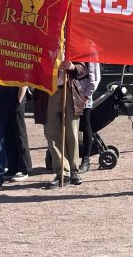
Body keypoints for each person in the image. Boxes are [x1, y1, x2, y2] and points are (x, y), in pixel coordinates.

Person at [34, 59, 88, 189]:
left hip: (69, 91)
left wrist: (73, 66)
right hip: (48, 92)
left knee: (72, 134)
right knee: (52, 134)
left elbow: (83, 68)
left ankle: (74, 171)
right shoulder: (43, 44)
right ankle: (62, 172)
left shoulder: (71, 43)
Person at [4, 86, 33, 181]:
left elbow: (24, 81)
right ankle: (12, 168)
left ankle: (24, 168)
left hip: (17, 98)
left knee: (20, 134)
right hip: (7, 99)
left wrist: (19, 100)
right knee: (8, 136)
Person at [78, 62, 101, 173]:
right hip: (69, 92)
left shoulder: (90, 51)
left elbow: (95, 77)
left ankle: (85, 160)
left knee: (85, 125)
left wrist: (87, 95)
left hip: (83, 94)